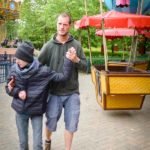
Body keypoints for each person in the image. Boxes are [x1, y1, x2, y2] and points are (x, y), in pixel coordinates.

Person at [5, 41, 73, 150]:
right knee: (23, 144)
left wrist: (68, 60)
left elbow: (63, 77)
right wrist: (17, 92)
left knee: (37, 145)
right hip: (20, 112)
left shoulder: (43, 71)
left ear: (27, 58)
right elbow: (8, 88)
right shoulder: (14, 69)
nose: (16, 61)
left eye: (19, 58)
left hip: (36, 112)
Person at [38, 12, 87, 150]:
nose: (62, 27)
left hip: (72, 92)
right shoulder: (48, 46)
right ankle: (48, 140)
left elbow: (86, 67)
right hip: (54, 92)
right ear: (56, 24)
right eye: (60, 23)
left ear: (69, 26)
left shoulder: (76, 45)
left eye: (65, 24)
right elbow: (37, 66)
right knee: (51, 121)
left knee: (71, 124)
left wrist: (75, 60)